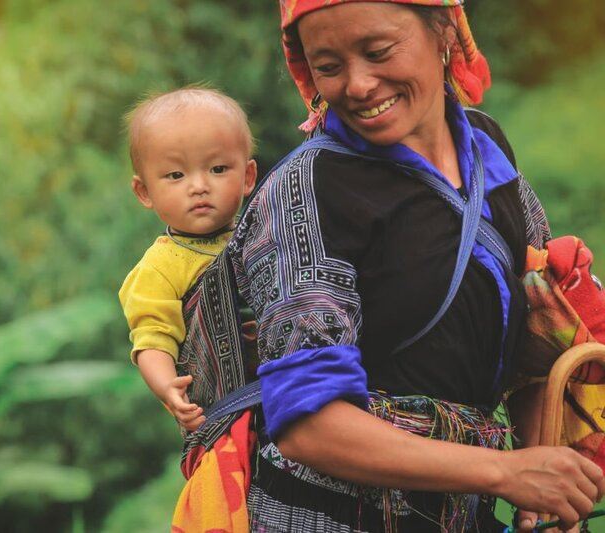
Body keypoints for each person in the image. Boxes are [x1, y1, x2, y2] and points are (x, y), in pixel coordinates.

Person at [224, 1, 605, 531]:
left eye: (378, 52)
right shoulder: (305, 193)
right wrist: (505, 472)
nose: (357, 86)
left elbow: (535, 326)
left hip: (463, 513)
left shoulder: (484, 143)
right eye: (328, 66)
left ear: (445, 30)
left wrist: (543, 478)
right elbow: (308, 424)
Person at [118, 87, 257, 432]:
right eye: (176, 175)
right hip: (225, 416)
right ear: (144, 192)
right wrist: (168, 388)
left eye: (218, 168)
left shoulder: (265, 232)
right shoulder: (160, 267)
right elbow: (153, 338)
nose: (199, 186)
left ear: (248, 177)